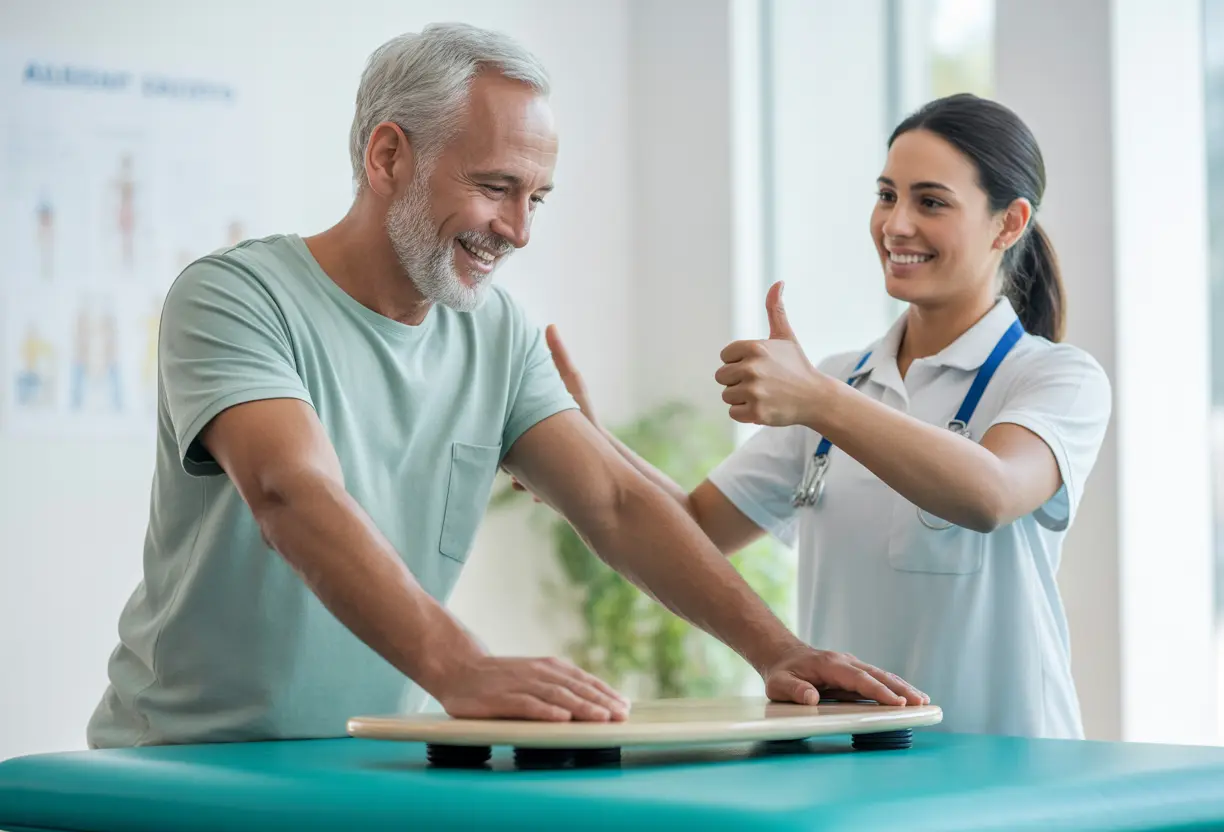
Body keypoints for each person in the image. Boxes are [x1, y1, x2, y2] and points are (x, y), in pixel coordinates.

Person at [86, 23, 926, 750]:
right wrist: (461, 666)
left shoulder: (498, 331)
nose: (518, 230)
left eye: (537, 198)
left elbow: (616, 503)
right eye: (494, 188)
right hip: (183, 762)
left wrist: (774, 650)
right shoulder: (237, 297)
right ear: (388, 156)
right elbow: (289, 493)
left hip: (359, 764)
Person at [540, 93, 1112, 739]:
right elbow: (694, 531)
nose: (896, 225)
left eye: (930, 202)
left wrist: (817, 400)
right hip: (855, 767)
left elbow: (991, 493)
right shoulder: (842, 382)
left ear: (1008, 224)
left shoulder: (1055, 379)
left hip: (1012, 771)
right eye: (887, 195)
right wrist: (579, 443)